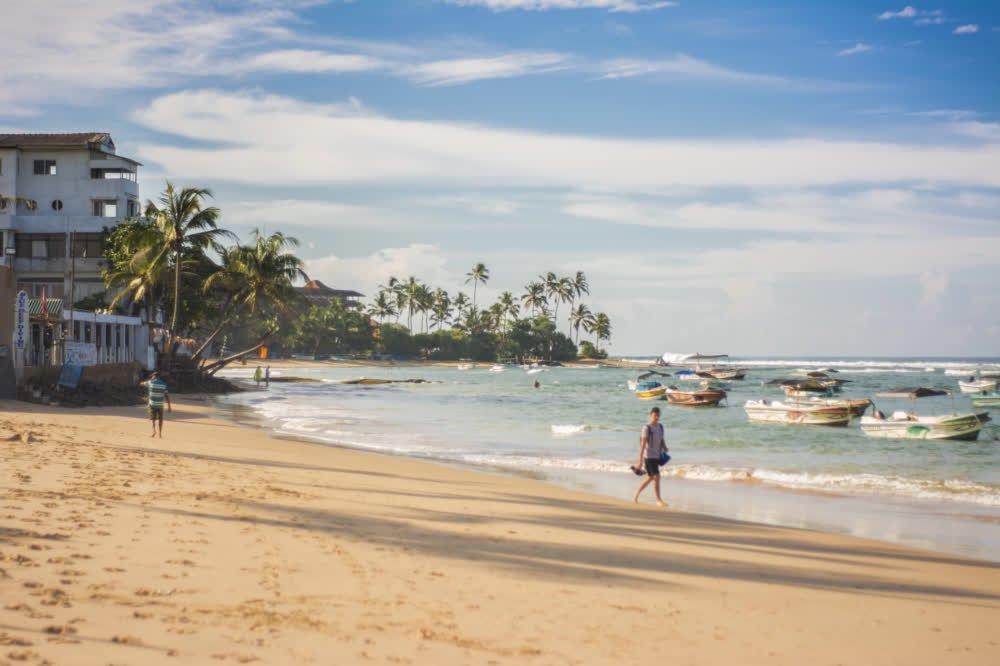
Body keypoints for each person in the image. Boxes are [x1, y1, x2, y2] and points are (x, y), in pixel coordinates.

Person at [632, 406, 668, 507]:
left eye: (658, 415)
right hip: (648, 456)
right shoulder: (646, 428)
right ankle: (659, 500)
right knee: (657, 477)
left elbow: (661, 439)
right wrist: (640, 460)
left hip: (657, 456)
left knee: (651, 478)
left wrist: (665, 447)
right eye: (654, 415)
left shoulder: (660, 427)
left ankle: (636, 493)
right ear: (650, 415)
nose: (656, 417)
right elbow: (643, 445)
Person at [140, 371, 172, 438]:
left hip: (152, 404)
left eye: (152, 376)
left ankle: (154, 431)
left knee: (153, 419)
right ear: (159, 377)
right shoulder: (164, 384)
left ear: (154, 376)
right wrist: (169, 406)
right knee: (161, 419)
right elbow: (166, 396)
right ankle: (160, 433)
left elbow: (141, 384)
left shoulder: (150, 382)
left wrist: (149, 379)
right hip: (160, 404)